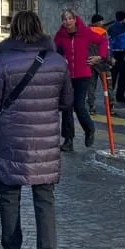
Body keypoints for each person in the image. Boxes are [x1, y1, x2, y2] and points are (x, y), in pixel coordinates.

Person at [0, 11, 72, 249]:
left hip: (11, 142)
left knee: (9, 202)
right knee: (45, 206)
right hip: (45, 145)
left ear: (13, 30)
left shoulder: (4, 61)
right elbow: (66, 101)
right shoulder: (57, 61)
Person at [53, 9, 105, 151]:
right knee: (67, 106)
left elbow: (102, 41)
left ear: (75, 19)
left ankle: (89, 129)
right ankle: (68, 140)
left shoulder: (85, 32)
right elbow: (54, 50)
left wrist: (99, 57)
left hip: (83, 74)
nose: (67, 21)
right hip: (67, 76)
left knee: (78, 105)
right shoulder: (60, 36)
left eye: (70, 18)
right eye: (64, 19)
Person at [106, 11, 125, 108]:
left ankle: (120, 95)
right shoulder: (114, 29)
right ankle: (110, 97)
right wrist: (110, 57)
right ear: (122, 18)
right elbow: (110, 43)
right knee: (114, 76)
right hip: (117, 54)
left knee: (124, 75)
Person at [86, 14, 109, 112]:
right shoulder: (103, 32)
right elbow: (106, 48)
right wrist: (109, 60)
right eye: (101, 21)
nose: (103, 23)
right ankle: (110, 106)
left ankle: (92, 106)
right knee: (107, 85)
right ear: (97, 22)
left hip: (90, 61)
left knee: (91, 85)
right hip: (101, 61)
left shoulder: (85, 31)